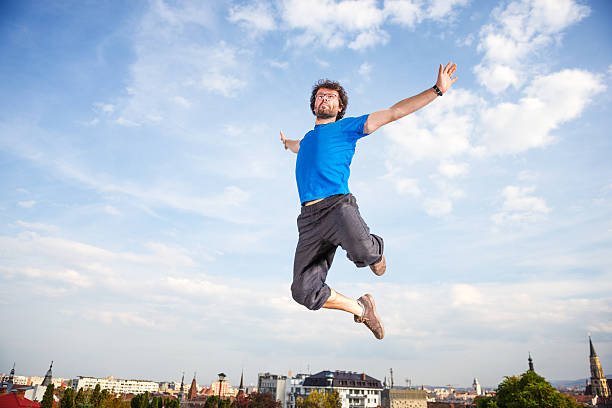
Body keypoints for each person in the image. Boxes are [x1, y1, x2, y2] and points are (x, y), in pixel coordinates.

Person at [281, 63, 458, 339]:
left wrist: (436, 90)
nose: (324, 98)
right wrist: (287, 143)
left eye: (331, 96)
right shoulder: (306, 140)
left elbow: (393, 112)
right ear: (313, 104)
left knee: (364, 254)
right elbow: (297, 147)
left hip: (337, 207)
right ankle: (362, 309)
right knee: (302, 291)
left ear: (340, 108)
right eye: (320, 95)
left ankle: (375, 252)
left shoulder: (347, 128)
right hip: (308, 221)